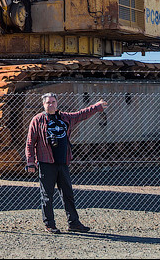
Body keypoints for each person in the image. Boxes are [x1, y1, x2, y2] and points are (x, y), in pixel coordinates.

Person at [25, 92, 108, 234]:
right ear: (43, 104)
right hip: (46, 163)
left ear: (57, 103)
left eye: (53, 102)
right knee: (47, 196)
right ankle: (50, 224)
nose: (50, 104)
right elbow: (30, 142)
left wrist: (97, 107)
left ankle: (74, 223)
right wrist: (30, 162)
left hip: (63, 162)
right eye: (48, 102)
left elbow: (82, 114)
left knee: (68, 194)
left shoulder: (65, 118)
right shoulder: (38, 120)